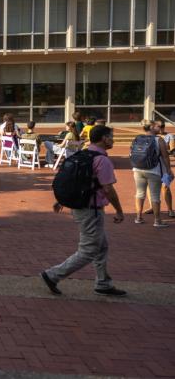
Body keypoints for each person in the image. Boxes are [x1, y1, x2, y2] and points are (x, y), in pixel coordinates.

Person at [41, 125, 127, 297]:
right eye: (111, 136)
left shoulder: (82, 155)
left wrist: (61, 200)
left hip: (81, 206)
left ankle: (103, 283)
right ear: (103, 138)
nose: (113, 140)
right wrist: (119, 210)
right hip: (91, 210)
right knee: (88, 250)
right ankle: (53, 275)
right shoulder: (102, 160)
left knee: (101, 245)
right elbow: (108, 189)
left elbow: (72, 180)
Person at [131, 120, 172, 228]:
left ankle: (138, 217)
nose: (160, 128)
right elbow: (165, 157)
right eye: (157, 126)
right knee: (155, 196)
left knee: (139, 193)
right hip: (154, 170)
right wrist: (169, 170)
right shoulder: (159, 140)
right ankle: (157, 220)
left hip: (137, 169)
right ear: (152, 127)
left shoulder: (137, 138)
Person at [143, 120, 175, 218]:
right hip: (152, 167)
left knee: (165, 187)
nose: (161, 128)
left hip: (164, 167)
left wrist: (163, 150)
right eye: (159, 126)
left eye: (162, 126)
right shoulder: (148, 137)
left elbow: (173, 151)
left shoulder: (169, 136)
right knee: (150, 187)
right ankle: (152, 207)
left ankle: (170, 209)